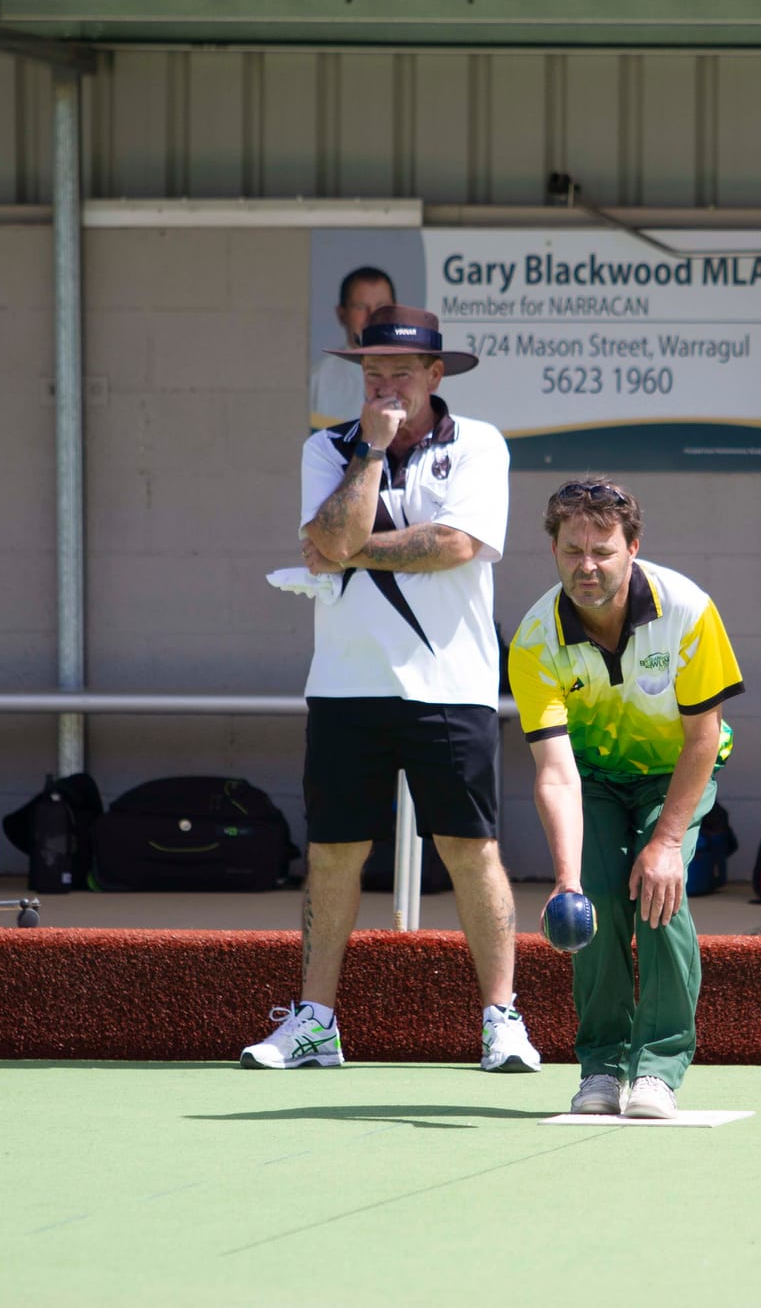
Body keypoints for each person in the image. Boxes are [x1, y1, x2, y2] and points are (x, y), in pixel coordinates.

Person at [243, 304, 539, 1074]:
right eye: (371, 373)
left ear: (436, 375)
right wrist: (369, 452)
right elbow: (336, 533)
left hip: (454, 681)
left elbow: (455, 545)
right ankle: (314, 1021)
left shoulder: (480, 444)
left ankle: (501, 1018)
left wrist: (344, 548)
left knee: (471, 850)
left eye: (400, 372)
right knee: (335, 852)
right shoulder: (329, 446)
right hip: (346, 685)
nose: (384, 386)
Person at [507, 479, 745, 1119]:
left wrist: (666, 842)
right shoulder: (534, 640)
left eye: (603, 550)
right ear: (553, 551)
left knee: (658, 890)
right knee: (597, 895)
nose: (587, 566)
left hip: (676, 770)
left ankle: (659, 1070)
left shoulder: (688, 611)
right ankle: (602, 1069)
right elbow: (555, 772)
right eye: (571, 550)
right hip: (593, 777)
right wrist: (564, 880)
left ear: (632, 547)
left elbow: (704, 735)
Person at [308, 266, 397, 430]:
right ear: (342, 314)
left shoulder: (416, 376)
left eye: (381, 306)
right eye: (360, 307)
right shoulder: (318, 379)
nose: (372, 316)